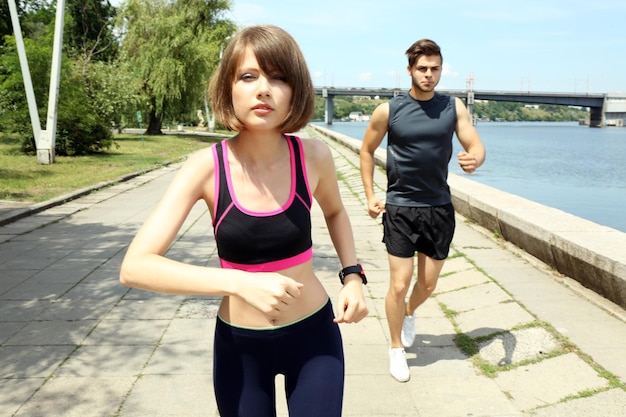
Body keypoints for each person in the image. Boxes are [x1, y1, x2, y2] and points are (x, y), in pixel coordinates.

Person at [120, 25, 368, 417]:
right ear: (228, 89)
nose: (264, 88)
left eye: (279, 77)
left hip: (314, 337)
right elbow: (135, 266)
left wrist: (352, 276)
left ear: (296, 92)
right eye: (248, 76)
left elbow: (335, 211)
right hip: (240, 347)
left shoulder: (314, 157)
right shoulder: (204, 168)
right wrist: (239, 282)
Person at [359, 38, 485, 382]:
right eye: (423, 69)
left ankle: (410, 313)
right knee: (399, 284)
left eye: (435, 69)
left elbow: (473, 142)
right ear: (410, 70)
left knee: (426, 285)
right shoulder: (389, 110)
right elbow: (367, 151)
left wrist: (476, 157)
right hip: (400, 208)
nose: (429, 75)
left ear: (441, 69)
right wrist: (371, 194)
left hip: (439, 209)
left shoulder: (453, 107)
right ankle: (396, 348)